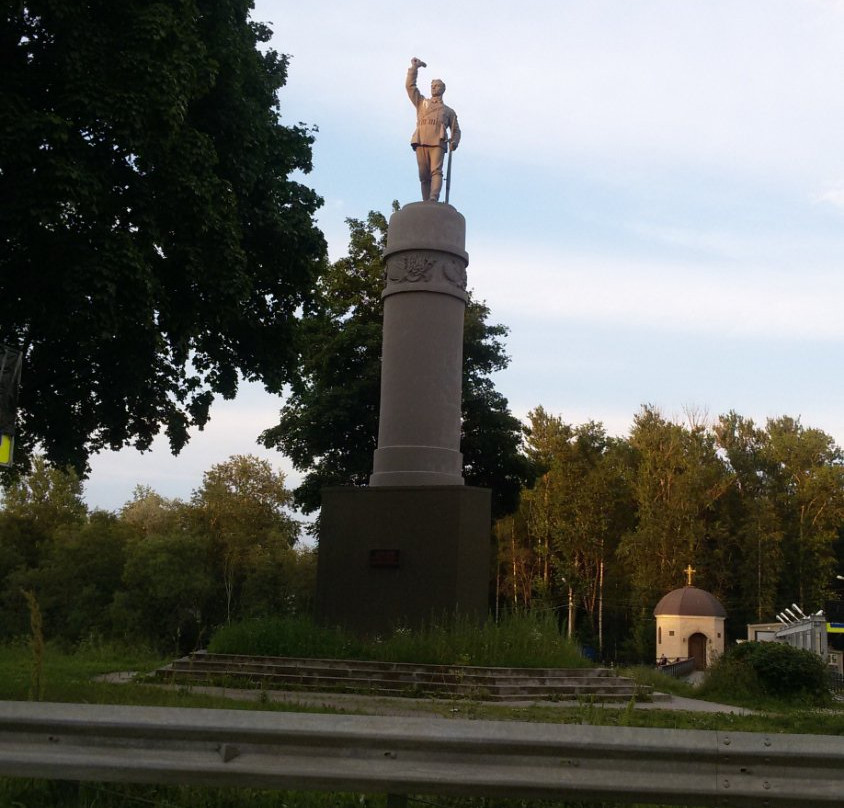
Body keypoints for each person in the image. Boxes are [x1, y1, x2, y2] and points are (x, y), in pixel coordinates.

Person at [406, 57, 461, 202]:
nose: (434, 88)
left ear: (443, 89)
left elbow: (456, 130)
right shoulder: (421, 103)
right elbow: (410, 87)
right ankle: (426, 202)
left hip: (438, 141)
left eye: (437, 86)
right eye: (433, 86)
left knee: (436, 171)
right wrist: (414, 69)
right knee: (423, 175)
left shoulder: (448, 111)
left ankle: (433, 198)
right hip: (421, 139)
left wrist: (454, 142)